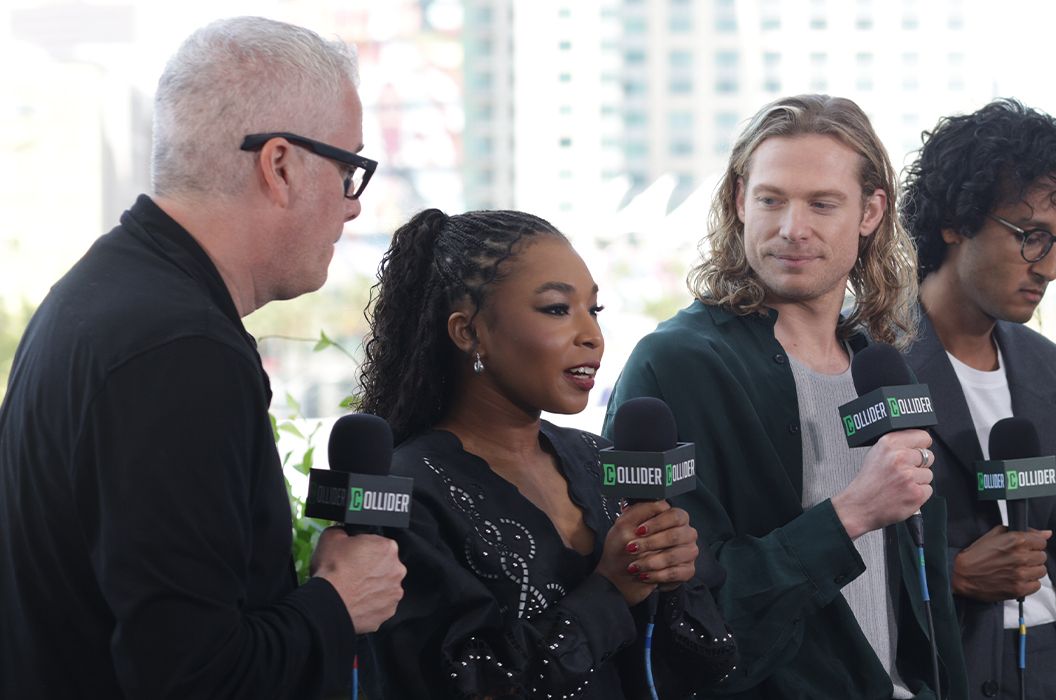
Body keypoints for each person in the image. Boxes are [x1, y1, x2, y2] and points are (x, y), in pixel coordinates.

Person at [0, 16, 405, 699]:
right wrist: (337, 602)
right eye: (349, 170)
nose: (352, 209)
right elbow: (192, 676)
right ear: (279, 165)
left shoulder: (103, 295)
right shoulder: (179, 355)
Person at [606, 94, 969, 700]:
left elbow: (921, 593)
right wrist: (851, 513)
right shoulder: (677, 364)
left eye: (822, 204)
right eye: (771, 199)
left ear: (871, 211)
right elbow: (682, 614)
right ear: (739, 202)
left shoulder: (879, 364)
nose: (791, 228)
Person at [356, 208, 738, 699]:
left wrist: (674, 582)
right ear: (467, 332)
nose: (591, 336)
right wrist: (611, 591)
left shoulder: (602, 462)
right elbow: (456, 683)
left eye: (593, 310)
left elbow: (712, 666)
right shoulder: (405, 491)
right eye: (558, 308)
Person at [898, 98, 1056, 699]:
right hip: (939, 664)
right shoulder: (867, 366)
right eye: (1032, 237)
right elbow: (838, 554)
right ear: (957, 219)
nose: (1051, 268)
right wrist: (950, 574)